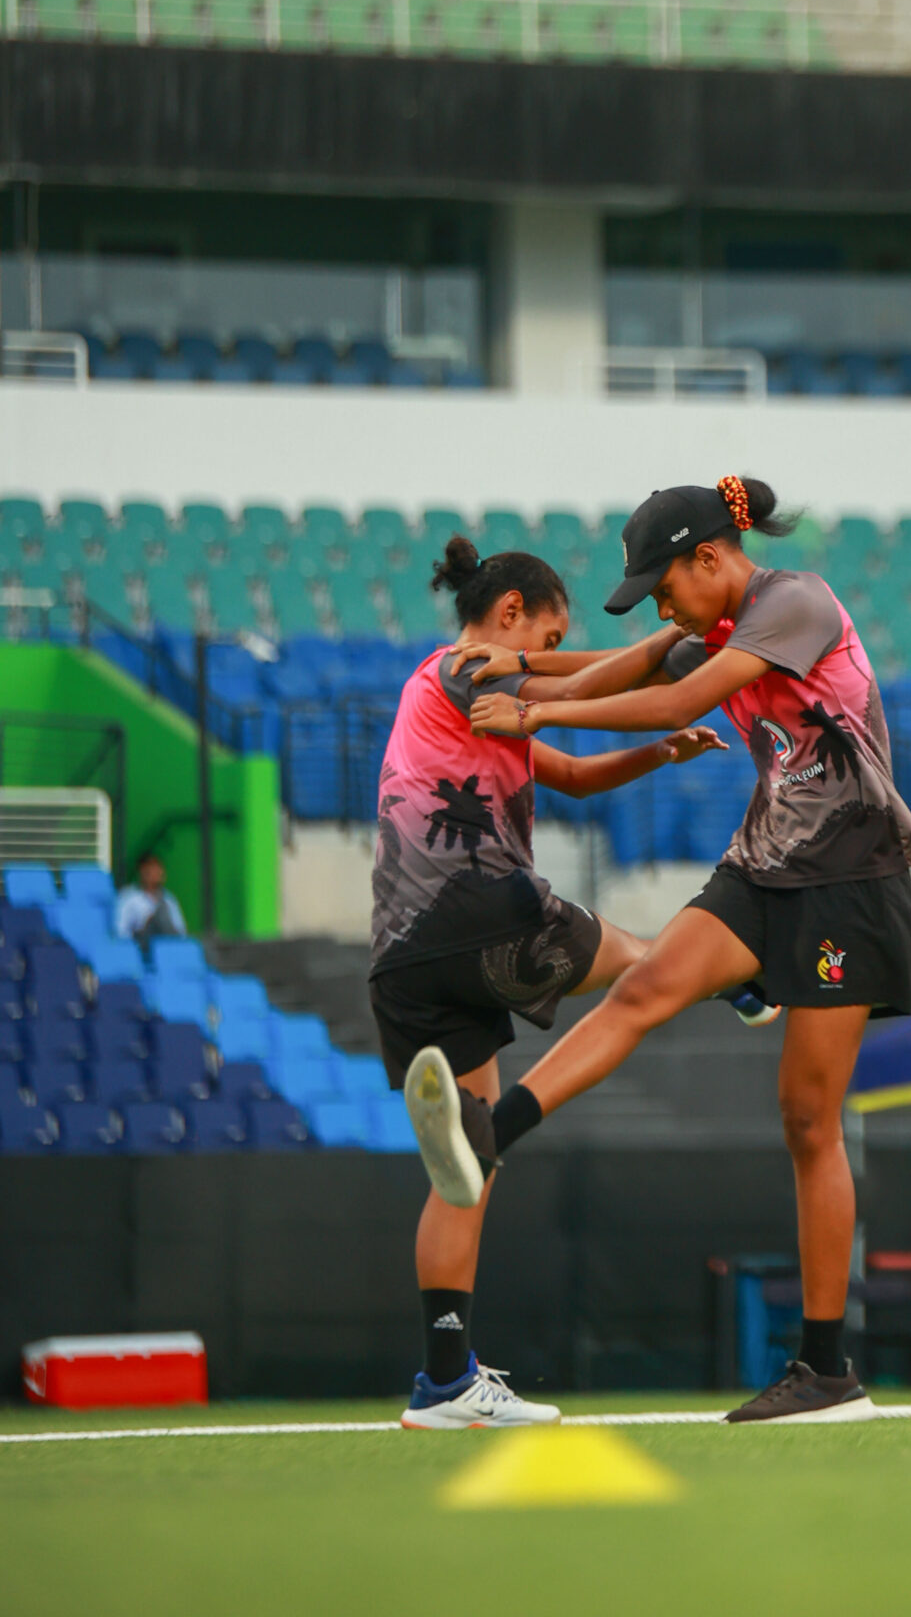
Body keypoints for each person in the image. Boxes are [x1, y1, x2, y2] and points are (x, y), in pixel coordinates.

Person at [402, 476, 911, 1426]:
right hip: (765, 865)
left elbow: (676, 698)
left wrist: (536, 712)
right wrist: (511, 675)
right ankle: (492, 1136)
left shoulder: (796, 603)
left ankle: (825, 1370)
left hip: (851, 883)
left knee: (808, 1119)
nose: (661, 603)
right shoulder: (715, 623)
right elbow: (629, 666)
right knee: (644, 987)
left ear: (710, 558)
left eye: (664, 584)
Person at [371, 532, 732, 1432]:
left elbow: (565, 773)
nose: (547, 646)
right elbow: (578, 691)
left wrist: (660, 754)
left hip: (406, 962)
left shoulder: (472, 707)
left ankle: (445, 1380)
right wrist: (655, 657)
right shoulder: (467, 667)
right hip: (475, 910)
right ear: (509, 618)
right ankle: (740, 979)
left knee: (469, 1167)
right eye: (548, 629)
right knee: (654, 961)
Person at [114, 850, 189, 945]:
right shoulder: (129, 897)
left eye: (158, 868)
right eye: (152, 868)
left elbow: (181, 930)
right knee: (160, 914)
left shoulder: (168, 898)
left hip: (167, 943)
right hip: (142, 944)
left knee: (209, 939)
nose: (157, 872)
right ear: (142, 871)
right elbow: (120, 931)